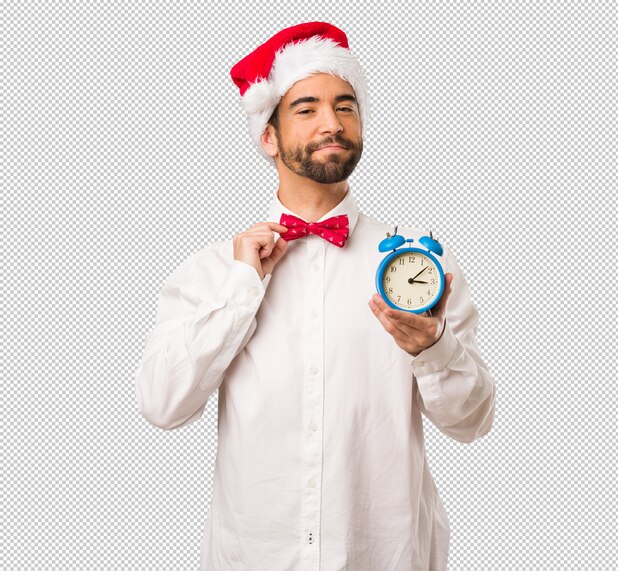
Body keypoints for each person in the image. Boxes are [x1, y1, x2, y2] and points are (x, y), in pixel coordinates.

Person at [134, 21, 496, 571]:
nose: (332, 123)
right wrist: (240, 293)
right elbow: (161, 405)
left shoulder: (421, 269)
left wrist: (434, 348)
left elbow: (471, 423)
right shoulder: (214, 272)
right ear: (268, 135)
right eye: (306, 109)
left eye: (346, 106)